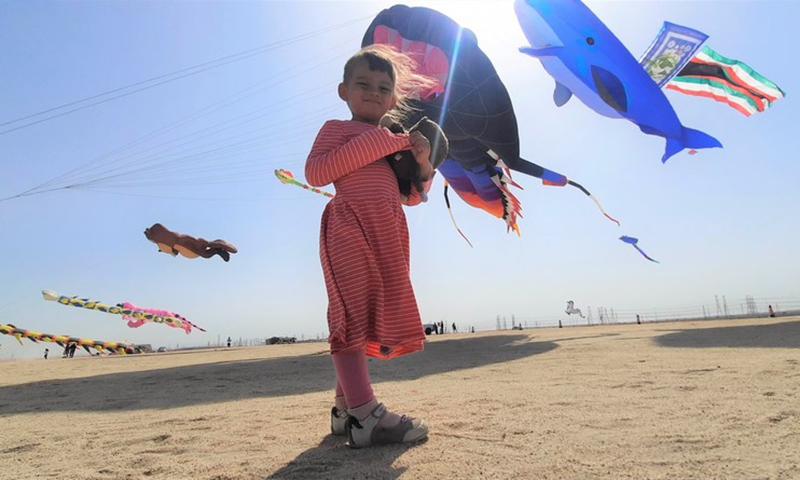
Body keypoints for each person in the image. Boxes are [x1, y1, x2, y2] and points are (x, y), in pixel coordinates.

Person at [305, 44, 437, 449]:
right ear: (344, 91)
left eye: (383, 87)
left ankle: (345, 410)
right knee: (350, 314)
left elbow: (411, 196)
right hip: (348, 226)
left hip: (387, 230)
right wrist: (385, 141)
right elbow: (317, 172)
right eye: (363, 84)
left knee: (368, 312)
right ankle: (367, 416)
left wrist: (424, 163)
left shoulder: (394, 144)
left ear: (394, 98)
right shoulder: (338, 129)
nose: (374, 92)